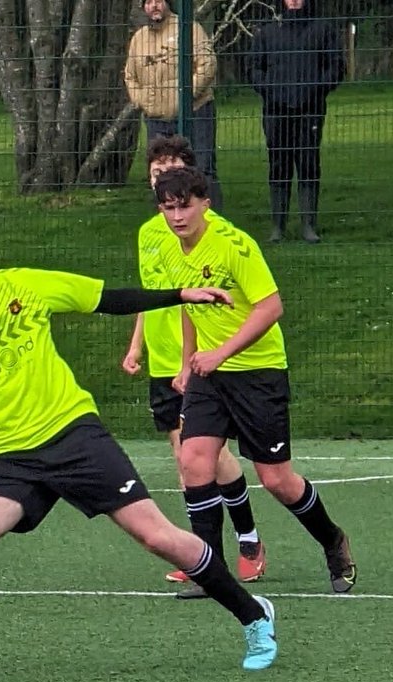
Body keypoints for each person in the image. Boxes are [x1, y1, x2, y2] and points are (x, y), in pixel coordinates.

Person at [0, 210, 277, 680]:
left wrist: (179, 294)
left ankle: (255, 616)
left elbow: (107, 299)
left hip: (75, 436)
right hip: (16, 457)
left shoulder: (27, 286)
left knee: (157, 537)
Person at [151, 166, 355, 593]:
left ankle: (333, 541)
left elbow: (271, 307)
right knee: (193, 463)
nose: (176, 217)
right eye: (168, 208)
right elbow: (192, 307)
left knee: (277, 480)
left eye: (184, 206)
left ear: (205, 203)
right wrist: (188, 363)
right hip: (211, 376)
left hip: (258, 374)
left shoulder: (233, 246)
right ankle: (209, 571)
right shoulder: (171, 249)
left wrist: (222, 352)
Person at [123, 135, 266, 598]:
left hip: (202, 361)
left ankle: (238, 545)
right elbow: (152, 295)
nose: (162, 172)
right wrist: (136, 345)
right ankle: (209, 556)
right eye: (156, 166)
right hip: (164, 362)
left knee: (204, 459)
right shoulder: (149, 233)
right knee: (186, 462)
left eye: (172, 165)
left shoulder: (210, 231)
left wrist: (194, 359)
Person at [249, 0, 345, 244]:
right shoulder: (267, 31)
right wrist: (271, 91)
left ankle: (308, 226)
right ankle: (277, 227)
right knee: (278, 165)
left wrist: (315, 90)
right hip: (275, 110)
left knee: (308, 164)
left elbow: (336, 67)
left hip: (310, 110)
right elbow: (253, 69)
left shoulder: (323, 29)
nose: (293, 1)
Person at [124, 0, 222, 209]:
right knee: (161, 174)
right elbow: (130, 76)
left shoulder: (189, 29)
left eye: (158, 1)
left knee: (202, 169)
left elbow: (207, 65)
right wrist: (143, 101)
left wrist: (184, 97)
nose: (154, 6)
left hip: (194, 113)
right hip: (157, 119)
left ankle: (210, 221)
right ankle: (168, 223)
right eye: (149, 2)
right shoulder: (138, 39)